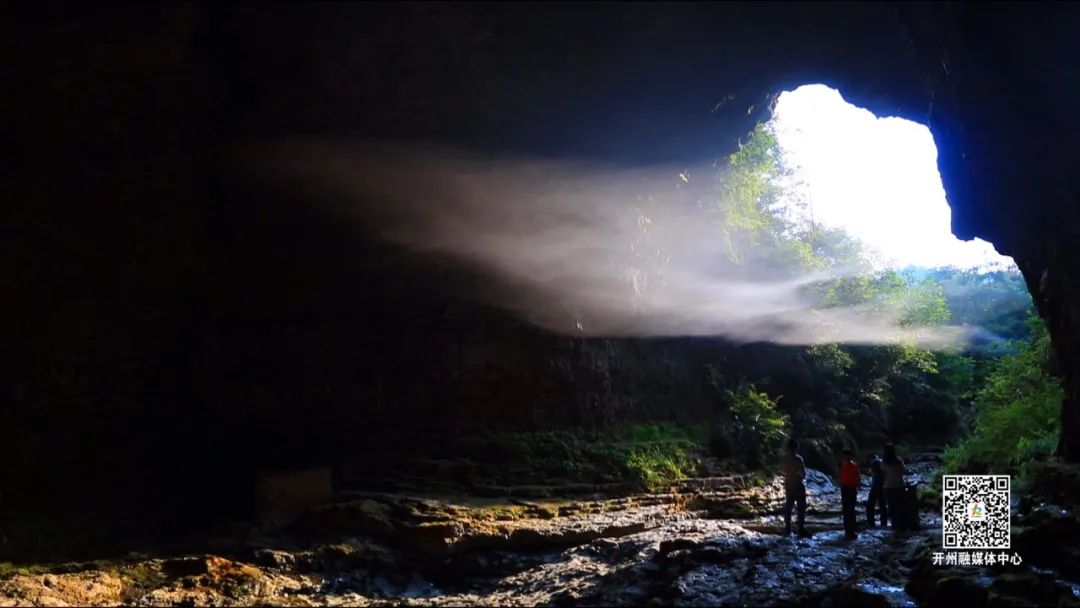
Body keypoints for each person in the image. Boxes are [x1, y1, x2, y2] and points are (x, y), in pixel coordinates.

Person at [781, 438, 809, 537]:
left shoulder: (784, 458)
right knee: (801, 507)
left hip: (788, 484)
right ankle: (800, 528)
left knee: (789, 506)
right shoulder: (798, 459)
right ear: (796, 448)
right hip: (797, 484)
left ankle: (787, 528)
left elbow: (783, 470)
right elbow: (802, 473)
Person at [882, 443, 907, 531]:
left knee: (891, 507)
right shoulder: (899, 461)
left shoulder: (884, 462)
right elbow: (903, 471)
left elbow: (883, 473)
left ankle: (894, 525)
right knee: (900, 506)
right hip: (899, 485)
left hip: (889, 486)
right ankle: (901, 525)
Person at [839, 448, 860, 539]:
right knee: (848, 510)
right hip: (847, 488)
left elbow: (857, 478)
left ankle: (850, 530)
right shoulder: (845, 466)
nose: (845, 457)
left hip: (850, 488)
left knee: (849, 509)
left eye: (846, 455)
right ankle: (849, 530)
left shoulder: (851, 466)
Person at [866, 454, 888, 528]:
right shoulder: (882, 462)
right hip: (883, 486)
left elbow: (874, 474)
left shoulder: (875, 463)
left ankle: (871, 523)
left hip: (876, 486)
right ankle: (884, 523)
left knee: (870, 505)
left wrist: (870, 472)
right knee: (882, 505)